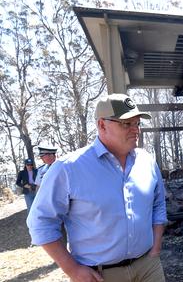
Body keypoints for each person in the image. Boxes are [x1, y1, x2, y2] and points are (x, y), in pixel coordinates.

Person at [27, 93, 167, 282]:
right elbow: (41, 222)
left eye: (137, 124)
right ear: (102, 124)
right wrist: (73, 269)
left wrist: (156, 246)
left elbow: (158, 204)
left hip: (148, 267)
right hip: (100, 275)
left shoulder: (147, 161)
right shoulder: (69, 168)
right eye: (127, 124)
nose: (136, 130)